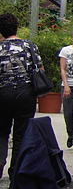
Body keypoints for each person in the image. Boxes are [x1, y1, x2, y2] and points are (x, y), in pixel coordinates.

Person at [0, 13, 44, 178]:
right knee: (22, 132)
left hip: (3, 93)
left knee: (1, 131)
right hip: (25, 94)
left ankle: (0, 160)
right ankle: (16, 170)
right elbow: (40, 70)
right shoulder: (29, 46)